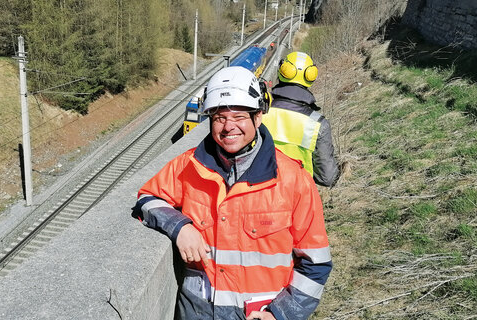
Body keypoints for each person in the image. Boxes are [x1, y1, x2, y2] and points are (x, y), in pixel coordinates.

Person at [133, 66, 332, 320]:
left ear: (257, 117)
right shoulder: (188, 166)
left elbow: (316, 264)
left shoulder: (294, 181)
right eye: (219, 117)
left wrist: (281, 314)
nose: (229, 127)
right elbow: (147, 198)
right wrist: (179, 227)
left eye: (239, 116)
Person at [261, 51, 339, 187]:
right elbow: (327, 178)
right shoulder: (318, 124)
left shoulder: (259, 113)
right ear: (311, 77)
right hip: (298, 196)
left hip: (259, 191)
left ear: (282, 71)